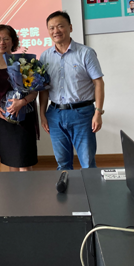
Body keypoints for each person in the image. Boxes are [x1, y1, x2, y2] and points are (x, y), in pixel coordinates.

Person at [39, 11, 104, 170]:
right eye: (51, 28)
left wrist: (98, 112)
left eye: (60, 26)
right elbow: (44, 89)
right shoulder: (45, 57)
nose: (56, 31)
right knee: (62, 163)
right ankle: (66, 187)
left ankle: (90, 187)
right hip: (55, 114)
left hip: (82, 113)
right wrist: (42, 114)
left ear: (70, 27)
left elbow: (98, 83)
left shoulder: (85, 53)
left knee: (87, 163)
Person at [0, 25, 39, 172]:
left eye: (6, 39)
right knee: (11, 162)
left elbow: (34, 92)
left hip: (23, 119)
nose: (2, 42)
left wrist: (22, 102)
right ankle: (15, 188)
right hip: (2, 119)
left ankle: (29, 188)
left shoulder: (23, 63)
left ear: (13, 42)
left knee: (24, 163)